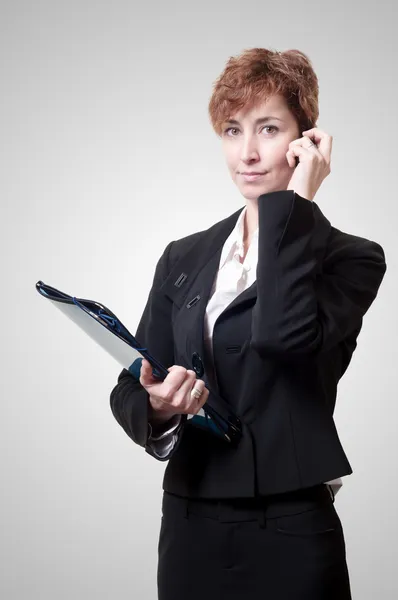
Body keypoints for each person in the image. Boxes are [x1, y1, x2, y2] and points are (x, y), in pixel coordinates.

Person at [109, 47, 387, 599]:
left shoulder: (354, 258)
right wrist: (160, 406)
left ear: (305, 141)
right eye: (233, 131)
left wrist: (296, 203)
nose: (249, 152)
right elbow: (130, 386)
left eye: (268, 128)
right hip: (191, 521)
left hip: (290, 524)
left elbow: (282, 337)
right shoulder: (183, 257)